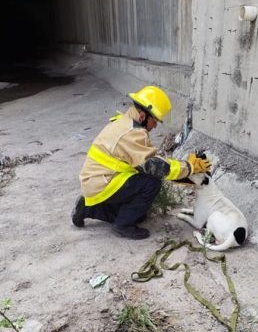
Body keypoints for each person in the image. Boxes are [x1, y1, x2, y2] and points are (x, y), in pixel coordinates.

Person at [72, 85, 212, 240]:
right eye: (155, 120)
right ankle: (123, 225)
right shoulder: (132, 134)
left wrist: (183, 170)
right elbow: (157, 168)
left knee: (138, 214)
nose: (155, 125)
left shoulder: (124, 122)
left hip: (96, 180)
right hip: (102, 182)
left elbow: (144, 159)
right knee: (151, 183)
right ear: (143, 115)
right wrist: (190, 167)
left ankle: (89, 209)